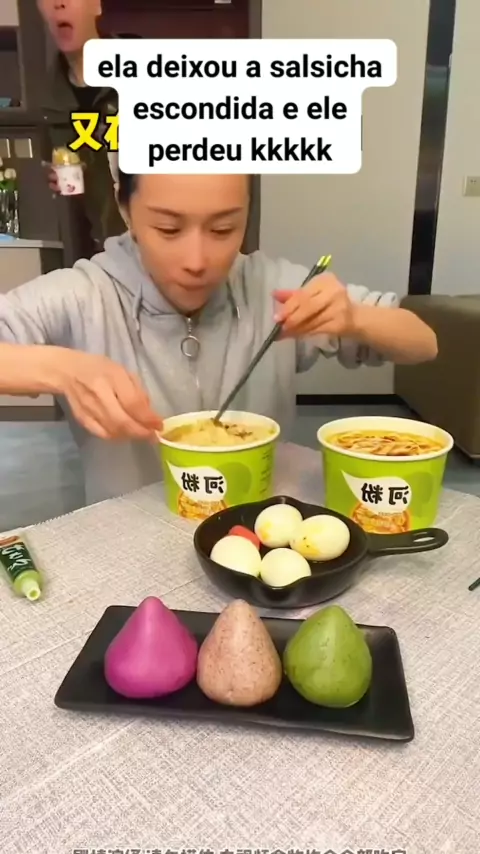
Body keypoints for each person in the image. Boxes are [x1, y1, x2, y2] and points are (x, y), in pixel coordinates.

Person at [0, 172, 437, 504]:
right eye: (168, 229)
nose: (197, 261)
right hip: (126, 541)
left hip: (256, 533)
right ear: (126, 209)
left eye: (224, 229)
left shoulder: (275, 286)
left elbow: (424, 342)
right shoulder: (83, 294)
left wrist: (355, 318)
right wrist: (60, 368)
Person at [38, 0, 133, 249]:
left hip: (165, 248)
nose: (59, 3)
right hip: (107, 254)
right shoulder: (51, 99)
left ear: (96, 5)